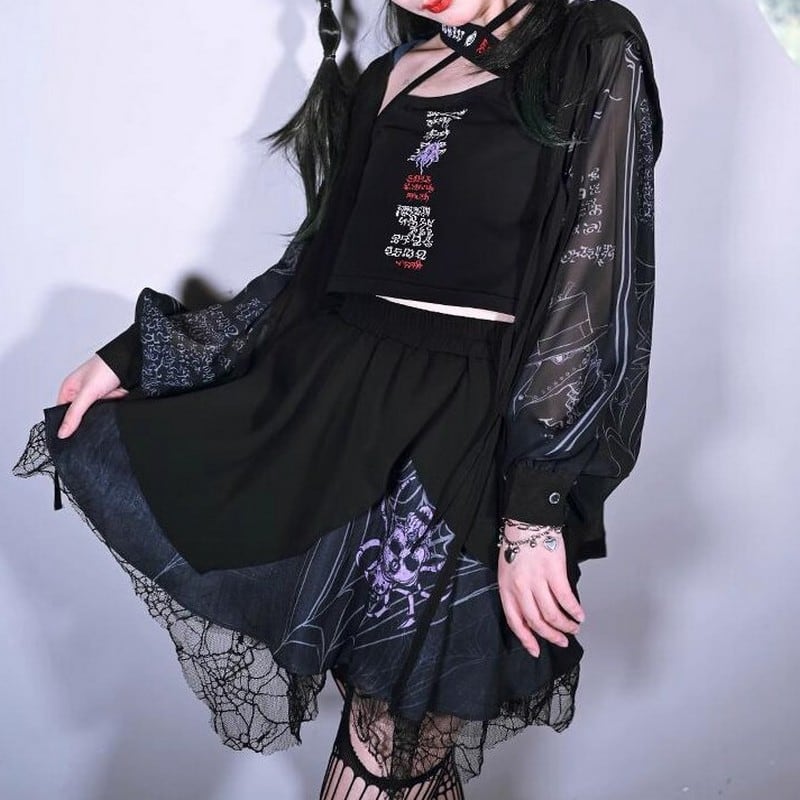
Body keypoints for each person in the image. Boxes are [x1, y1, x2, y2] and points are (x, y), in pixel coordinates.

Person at [11, 1, 663, 797]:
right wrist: (140, 355)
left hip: (467, 434)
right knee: (397, 743)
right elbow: (312, 272)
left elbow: (595, 288)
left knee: (393, 743)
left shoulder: (591, 46)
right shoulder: (391, 78)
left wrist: (535, 506)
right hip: (338, 413)